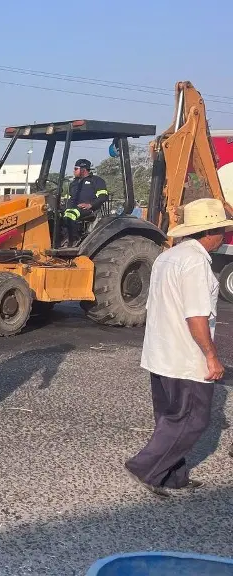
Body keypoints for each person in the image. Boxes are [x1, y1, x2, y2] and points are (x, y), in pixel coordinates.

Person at [124, 198, 232, 497]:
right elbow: (196, 315)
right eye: (222, 230)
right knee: (193, 420)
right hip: (185, 355)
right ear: (210, 232)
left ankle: (173, 475)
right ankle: (145, 467)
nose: (223, 236)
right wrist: (211, 356)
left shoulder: (169, 256)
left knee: (170, 416)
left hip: (161, 351)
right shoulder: (196, 262)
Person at [60, 159, 109, 247]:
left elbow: (103, 197)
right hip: (72, 208)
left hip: (89, 209)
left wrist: (90, 205)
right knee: (55, 215)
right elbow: (70, 198)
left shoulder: (97, 181)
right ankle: (58, 239)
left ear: (83, 169)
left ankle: (73, 239)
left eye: (75, 169)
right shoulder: (74, 183)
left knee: (71, 214)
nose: (73, 171)